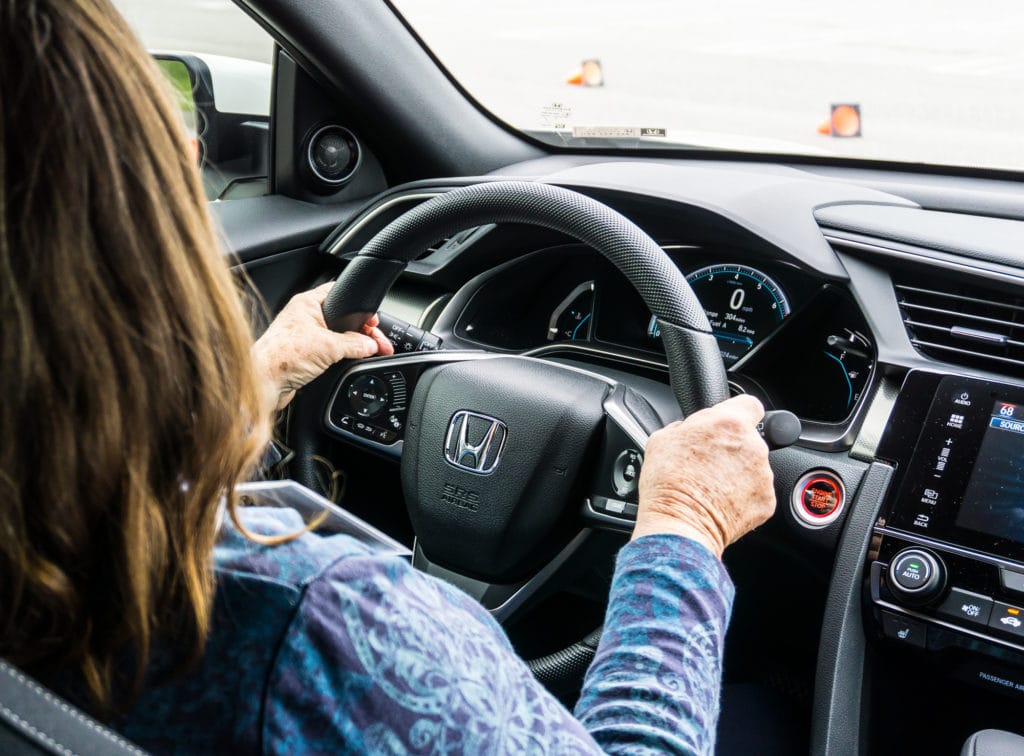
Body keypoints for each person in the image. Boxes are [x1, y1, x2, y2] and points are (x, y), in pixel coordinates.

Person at [0, 1, 776, 753]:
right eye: (165, 136)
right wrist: (683, 526)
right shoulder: (314, 626)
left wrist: (261, 380)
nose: (193, 148)